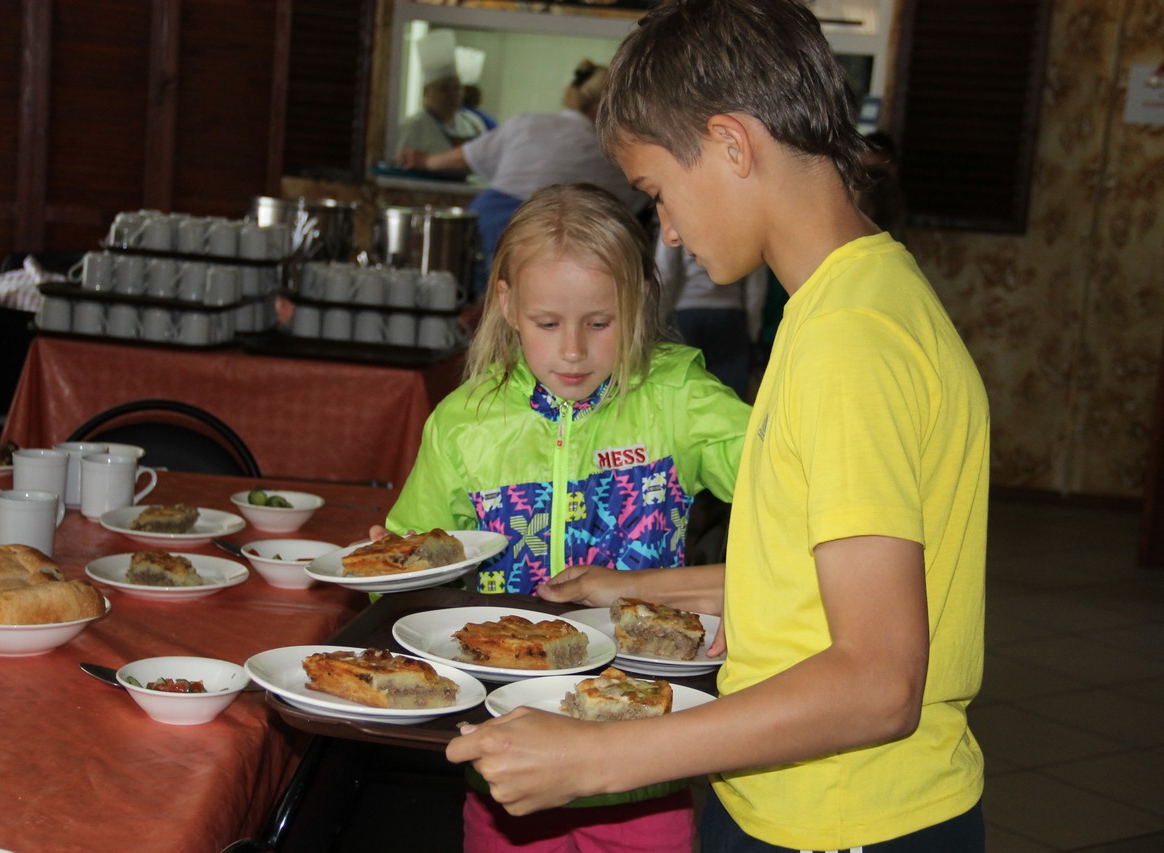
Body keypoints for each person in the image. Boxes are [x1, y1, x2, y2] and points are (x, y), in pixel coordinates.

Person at [447, 2, 991, 851]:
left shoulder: (848, 344)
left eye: (660, 192)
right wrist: (635, 589)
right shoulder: (853, 302)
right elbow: (808, 582)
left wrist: (600, 756)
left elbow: (880, 681)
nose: (667, 228)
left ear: (732, 144)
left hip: (842, 818)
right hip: (807, 801)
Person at [382, 182, 752, 851]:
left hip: (644, 762)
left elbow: (794, 494)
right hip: (509, 755)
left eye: (600, 323)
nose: (573, 351)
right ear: (507, 306)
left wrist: (741, 592)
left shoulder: (678, 398)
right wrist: (393, 564)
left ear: (637, 303)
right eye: (548, 324)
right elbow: (411, 574)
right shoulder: (464, 424)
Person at [398, 61, 648, 295]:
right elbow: (638, 200)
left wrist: (424, 160)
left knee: (474, 304)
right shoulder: (609, 154)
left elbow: (463, 156)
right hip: (535, 234)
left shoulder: (527, 123)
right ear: (601, 109)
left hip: (485, 219)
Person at [656, 235, 767, 402]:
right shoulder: (742, 221)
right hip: (730, 315)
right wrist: (753, 331)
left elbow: (665, 272)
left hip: (685, 314)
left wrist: (659, 320)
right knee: (730, 397)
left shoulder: (677, 221)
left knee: (683, 394)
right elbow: (755, 282)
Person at [394, 30, 487, 157]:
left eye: (457, 88)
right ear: (426, 92)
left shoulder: (474, 125)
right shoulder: (410, 129)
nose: (452, 94)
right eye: (444, 88)